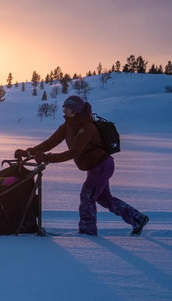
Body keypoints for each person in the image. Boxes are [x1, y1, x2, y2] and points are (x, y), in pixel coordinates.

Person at [16, 95, 148, 236]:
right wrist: (29, 152)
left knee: (87, 196)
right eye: (64, 107)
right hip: (95, 168)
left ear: (75, 109)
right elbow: (50, 142)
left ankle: (87, 231)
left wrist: (47, 158)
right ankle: (138, 219)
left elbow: (74, 152)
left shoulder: (87, 127)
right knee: (104, 198)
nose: (64, 109)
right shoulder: (68, 125)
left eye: (67, 107)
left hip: (101, 166)